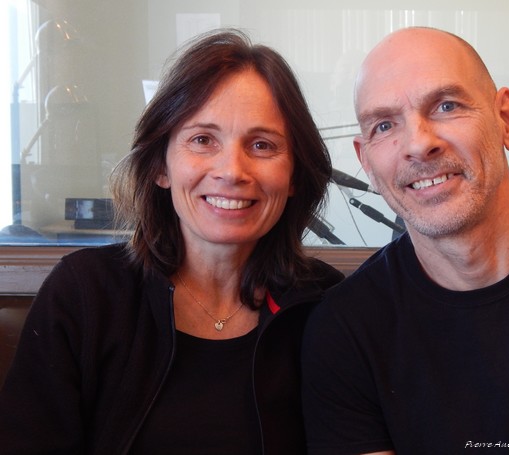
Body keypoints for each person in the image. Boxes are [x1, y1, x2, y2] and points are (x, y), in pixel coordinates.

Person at [0, 29, 343, 454]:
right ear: (161, 167)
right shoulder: (85, 294)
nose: (231, 171)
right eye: (203, 140)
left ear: (293, 177)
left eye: (261, 145)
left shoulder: (327, 307)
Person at [301, 26, 509, 454]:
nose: (419, 144)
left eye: (446, 106)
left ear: (507, 120)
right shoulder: (346, 333)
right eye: (384, 125)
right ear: (366, 161)